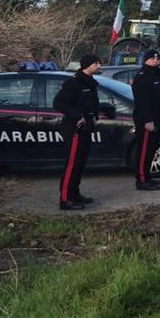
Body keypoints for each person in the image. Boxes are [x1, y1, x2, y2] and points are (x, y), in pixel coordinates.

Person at [53, 54, 101, 210]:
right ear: (88, 65)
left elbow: (89, 103)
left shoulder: (90, 82)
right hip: (74, 128)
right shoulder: (74, 83)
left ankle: (75, 193)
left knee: (80, 163)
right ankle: (66, 199)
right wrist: (77, 116)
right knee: (72, 164)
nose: (99, 66)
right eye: (96, 63)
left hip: (86, 128)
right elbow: (59, 103)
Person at [130, 49, 160, 191]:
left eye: (158, 58)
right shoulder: (142, 77)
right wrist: (148, 120)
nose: (155, 60)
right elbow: (142, 101)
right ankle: (141, 179)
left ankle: (147, 175)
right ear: (145, 60)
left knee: (152, 149)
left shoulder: (157, 76)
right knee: (144, 149)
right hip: (146, 119)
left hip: (157, 117)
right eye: (152, 58)